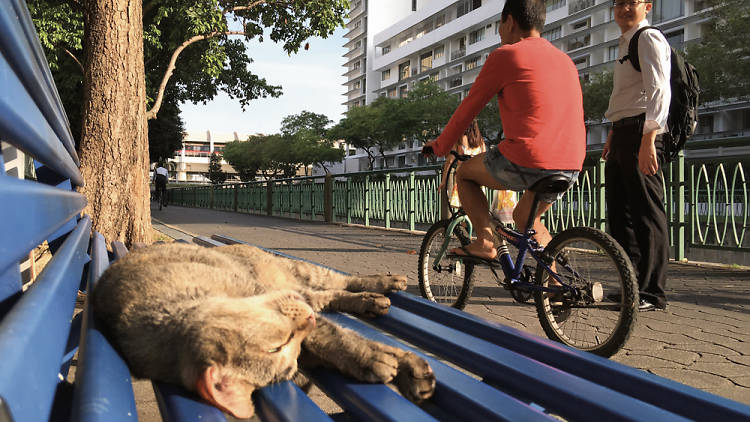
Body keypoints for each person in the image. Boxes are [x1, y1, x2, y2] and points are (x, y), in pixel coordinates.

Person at [422, 0, 585, 262]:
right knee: (525, 218)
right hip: (572, 161)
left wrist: (440, 146)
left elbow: (468, 109)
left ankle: (486, 241)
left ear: (510, 22)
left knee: (465, 174)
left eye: (499, 27)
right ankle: (558, 286)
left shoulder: (507, 56)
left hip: (529, 156)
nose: (500, 34)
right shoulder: (565, 60)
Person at [603, 0, 671, 311]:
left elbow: (659, 90)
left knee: (647, 213)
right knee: (620, 215)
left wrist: (649, 139)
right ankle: (631, 286)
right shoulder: (626, 43)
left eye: (632, 3)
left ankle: (652, 292)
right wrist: (613, 134)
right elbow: (628, 96)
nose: (624, 9)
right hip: (623, 133)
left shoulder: (648, 38)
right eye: (619, 3)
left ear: (647, 6)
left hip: (642, 134)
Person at [437, 119, 486, 208]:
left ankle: (463, 222)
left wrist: (443, 181)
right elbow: (484, 160)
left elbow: (449, 161)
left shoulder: (459, 140)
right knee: (477, 209)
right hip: (478, 178)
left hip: (463, 176)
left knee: (463, 209)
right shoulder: (481, 142)